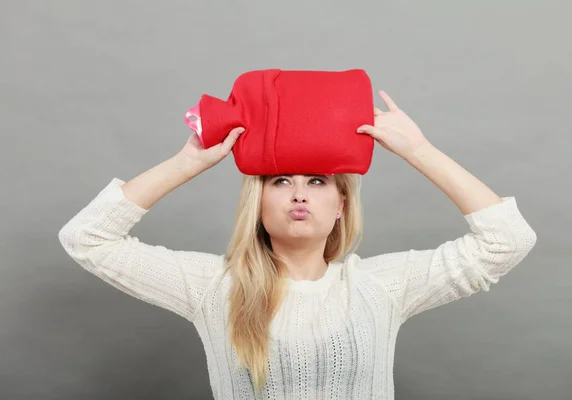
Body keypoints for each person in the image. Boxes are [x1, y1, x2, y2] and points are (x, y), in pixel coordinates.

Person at [58, 90, 537, 399]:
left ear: (341, 206)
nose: (301, 193)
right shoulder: (214, 286)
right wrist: (186, 164)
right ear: (258, 202)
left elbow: (508, 240)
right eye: (282, 180)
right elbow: (87, 238)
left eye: (318, 181)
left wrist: (418, 150)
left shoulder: (379, 286)